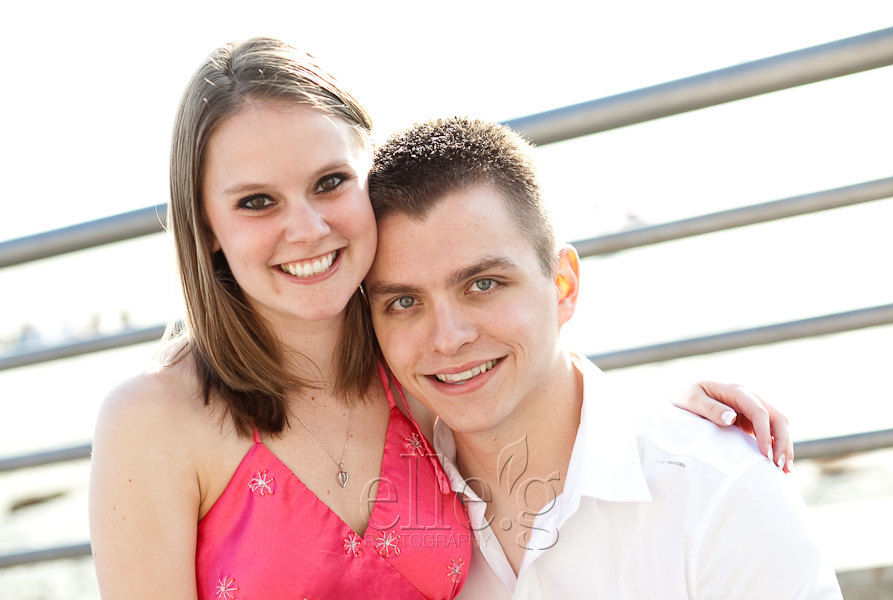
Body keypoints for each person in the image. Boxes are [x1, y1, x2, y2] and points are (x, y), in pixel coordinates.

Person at [88, 37, 792, 599]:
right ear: (206, 225)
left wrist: (672, 414)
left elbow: (538, 385)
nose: (305, 229)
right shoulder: (152, 421)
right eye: (256, 202)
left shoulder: (421, 372)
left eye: (330, 183)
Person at [364, 116, 843, 598]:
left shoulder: (720, 492)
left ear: (563, 285)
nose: (447, 338)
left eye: (483, 284)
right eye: (403, 302)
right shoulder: (372, 505)